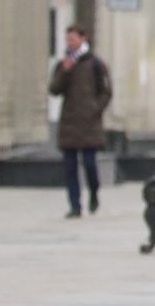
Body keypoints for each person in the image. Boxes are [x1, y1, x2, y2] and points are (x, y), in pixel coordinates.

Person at [48, 24, 113, 219]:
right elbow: (54, 89)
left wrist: (95, 108)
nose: (70, 42)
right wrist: (65, 71)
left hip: (89, 124)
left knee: (90, 164)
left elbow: (106, 91)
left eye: (73, 39)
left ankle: (94, 192)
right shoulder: (63, 64)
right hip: (69, 123)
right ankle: (75, 205)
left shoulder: (95, 64)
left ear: (83, 39)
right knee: (70, 168)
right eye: (68, 39)